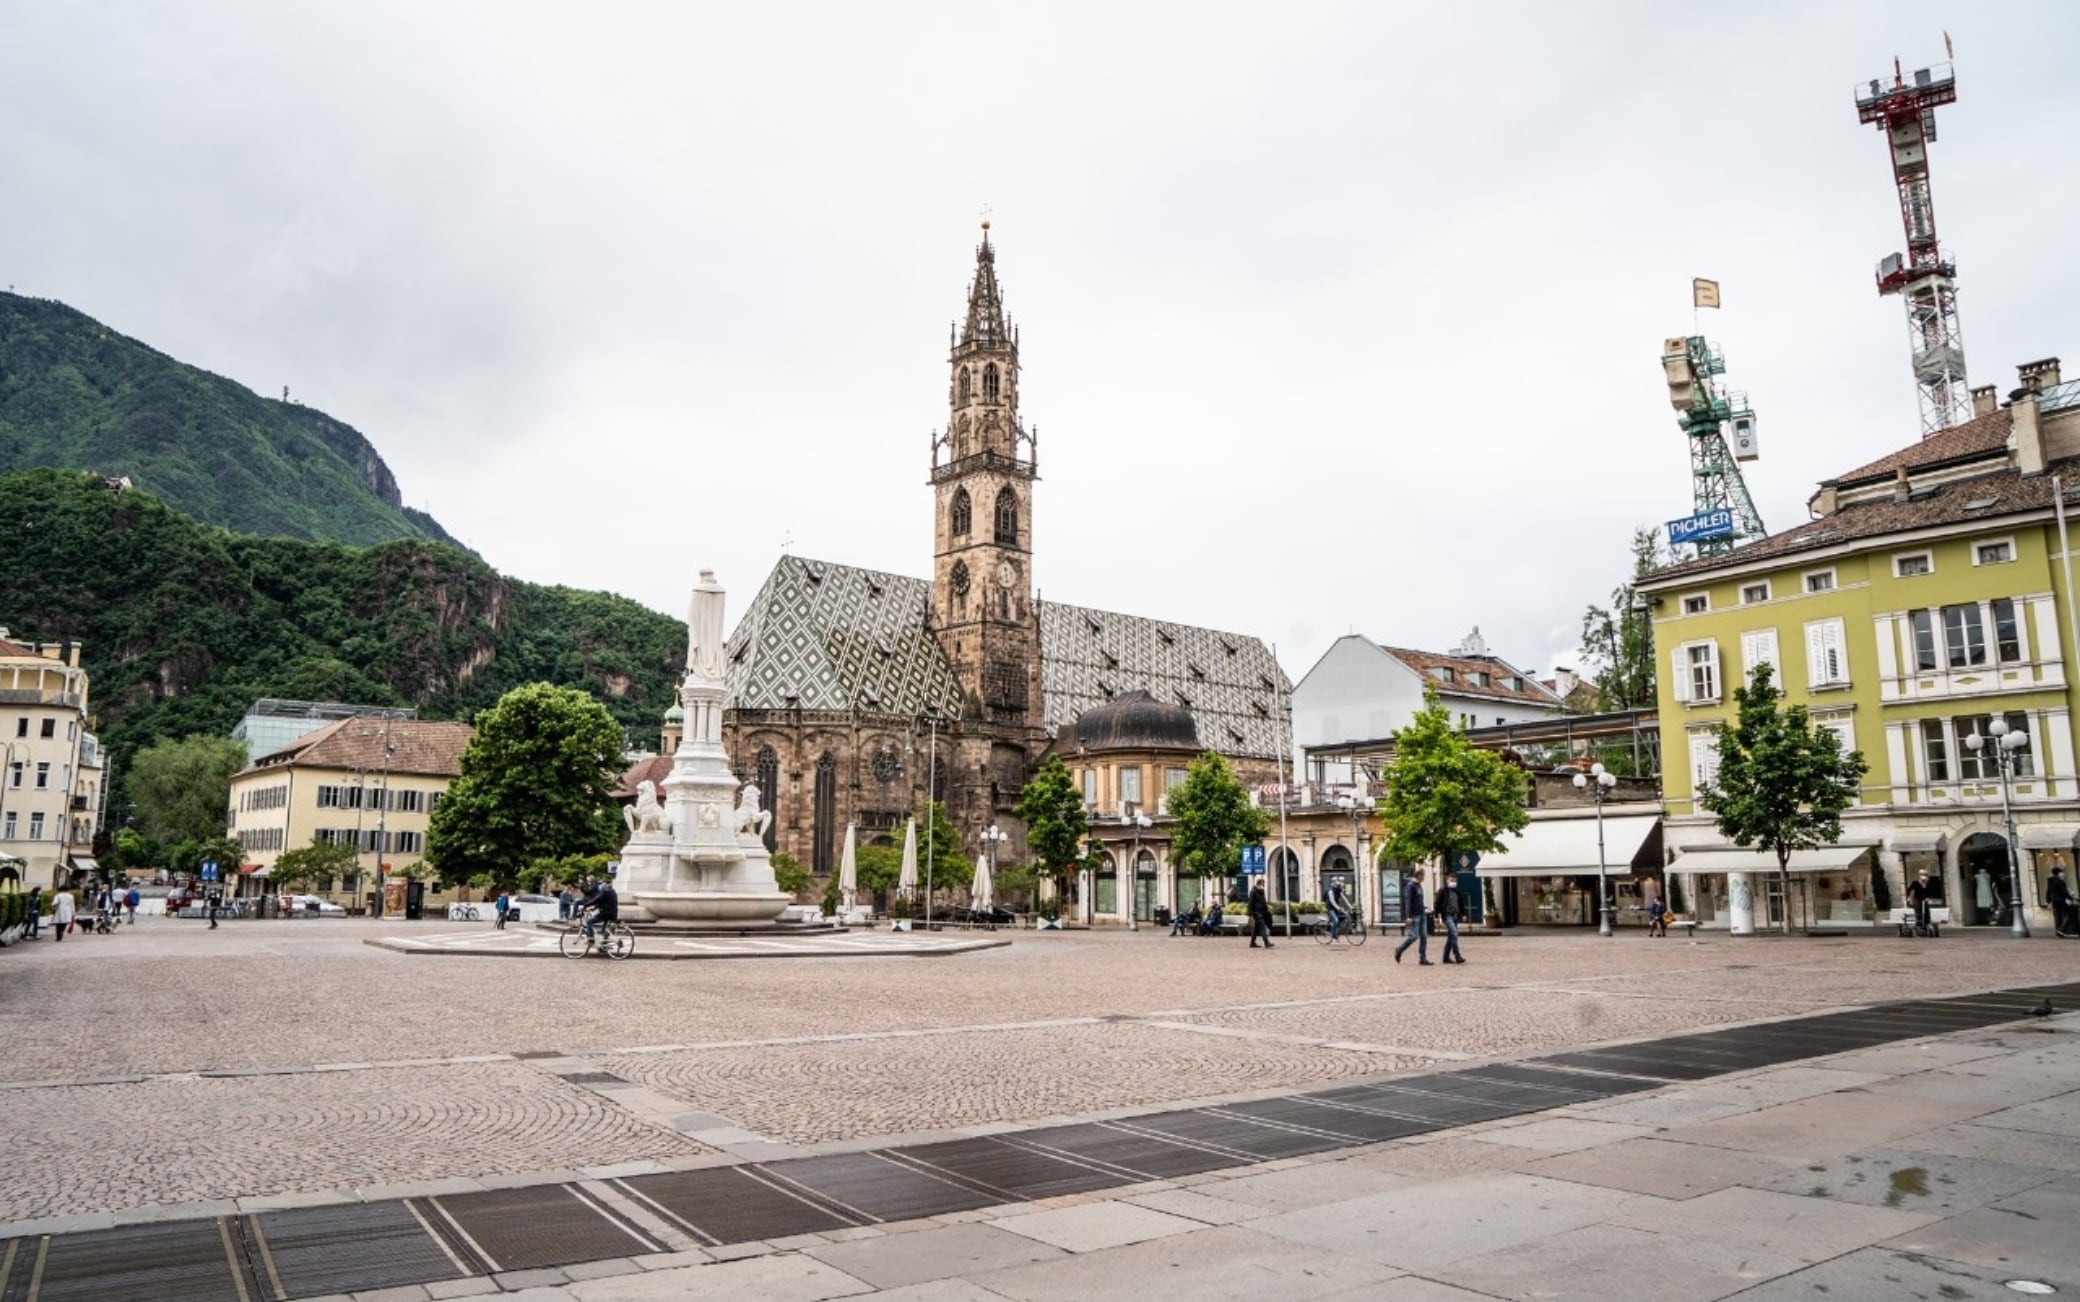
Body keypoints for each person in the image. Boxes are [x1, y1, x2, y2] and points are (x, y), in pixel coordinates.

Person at [1394, 868, 1431, 965]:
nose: (1424, 877)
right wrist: (1408, 916)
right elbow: (1408, 901)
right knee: (1414, 936)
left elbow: (1418, 900)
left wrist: (1423, 907)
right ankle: (1399, 949)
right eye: (1423, 875)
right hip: (1415, 915)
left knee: (1424, 937)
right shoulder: (1410, 886)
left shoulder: (1419, 886)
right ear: (1418, 875)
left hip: (1421, 913)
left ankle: (1422, 958)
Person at [576, 877, 619, 951]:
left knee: (589, 922)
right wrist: (593, 908)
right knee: (603, 931)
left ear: (606, 884)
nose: (602, 885)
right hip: (611, 913)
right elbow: (602, 902)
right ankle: (603, 947)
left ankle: (591, 939)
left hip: (606, 913)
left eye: (603, 883)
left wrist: (586, 905)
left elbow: (597, 899)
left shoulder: (605, 891)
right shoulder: (612, 890)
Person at [1436, 873, 1465, 964]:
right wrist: (1437, 916)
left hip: (1455, 915)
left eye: (1454, 880)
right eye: (1451, 880)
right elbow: (1437, 903)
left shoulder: (1457, 891)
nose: (1453, 882)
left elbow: (1461, 902)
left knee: (1451, 937)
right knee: (1454, 934)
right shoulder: (1443, 890)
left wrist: (1463, 914)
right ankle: (1457, 956)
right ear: (1447, 881)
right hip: (1447, 916)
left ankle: (1446, 957)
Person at [2047, 865, 2075, 938]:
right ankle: (2061, 929)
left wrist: (2049, 901)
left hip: (2054, 901)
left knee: (2057, 917)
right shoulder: (2060, 881)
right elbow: (2064, 891)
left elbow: (2048, 892)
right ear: (2059, 873)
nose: (2063, 874)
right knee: (2068, 915)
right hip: (2061, 900)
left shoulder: (2050, 881)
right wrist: (2071, 899)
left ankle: (2059, 932)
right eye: (2062, 872)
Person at [1907, 869, 1936, 936]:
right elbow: (1909, 890)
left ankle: (1926, 926)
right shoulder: (1915, 883)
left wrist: (1929, 897)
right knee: (1919, 912)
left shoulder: (1928, 883)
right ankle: (1919, 926)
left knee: (1926, 912)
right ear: (1919, 875)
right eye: (1922, 875)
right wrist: (1909, 898)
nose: (1924, 876)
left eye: (1925, 875)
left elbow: (1932, 891)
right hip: (1917, 900)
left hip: (1924, 900)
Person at [1247, 879, 1274, 949]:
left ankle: (1252, 943)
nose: (1264, 885)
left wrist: (1267, 909)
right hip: (1256, 912)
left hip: (1263, 912)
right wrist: (1249, 913)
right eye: (1263, 883)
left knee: (1256, 928)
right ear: (1258, 884)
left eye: (1264, 884)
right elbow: (1250, 902)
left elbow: (1263, 901)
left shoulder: (1262, 891)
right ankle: (1266, 942)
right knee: (1262, 927)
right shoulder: (1253, 891)